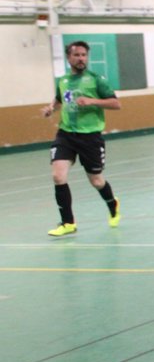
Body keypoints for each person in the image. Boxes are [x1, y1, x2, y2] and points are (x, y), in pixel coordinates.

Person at [42, 40, 122, 236]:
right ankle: (68, 223)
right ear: (69, 57)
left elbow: (116, 103)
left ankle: (112, 204)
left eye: (84, 55)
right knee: (58, 176)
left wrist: (92, 101)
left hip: (90, 137)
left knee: (96, 180)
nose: (81, 59)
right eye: (76, 55)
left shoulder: (96, 79)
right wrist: (51, 108)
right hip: (66, 134)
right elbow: (60, 99)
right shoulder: (63, 80)